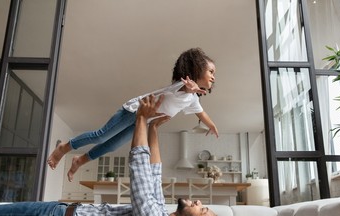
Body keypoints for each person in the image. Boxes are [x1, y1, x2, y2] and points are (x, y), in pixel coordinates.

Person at [0, 95, 225, 216]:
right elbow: (153, 172)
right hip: (58, 212)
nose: (196, 202)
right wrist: (153, 128)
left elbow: (140, 177)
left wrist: (140, 117)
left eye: (201, 210)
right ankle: (77, 156)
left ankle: (70, 149)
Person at [47, 47, 219, 182]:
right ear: (196, 69)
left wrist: (211, 125)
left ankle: (80, 160)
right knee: (101, 136)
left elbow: (201, 113)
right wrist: (190, 87)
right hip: (133, 111)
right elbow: (184, 87)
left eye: (214, 74)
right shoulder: (179, 86)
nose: (213, 77)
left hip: (141, 121)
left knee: (112, 146)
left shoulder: (193, 99)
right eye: (211, 71)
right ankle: (65, 147)